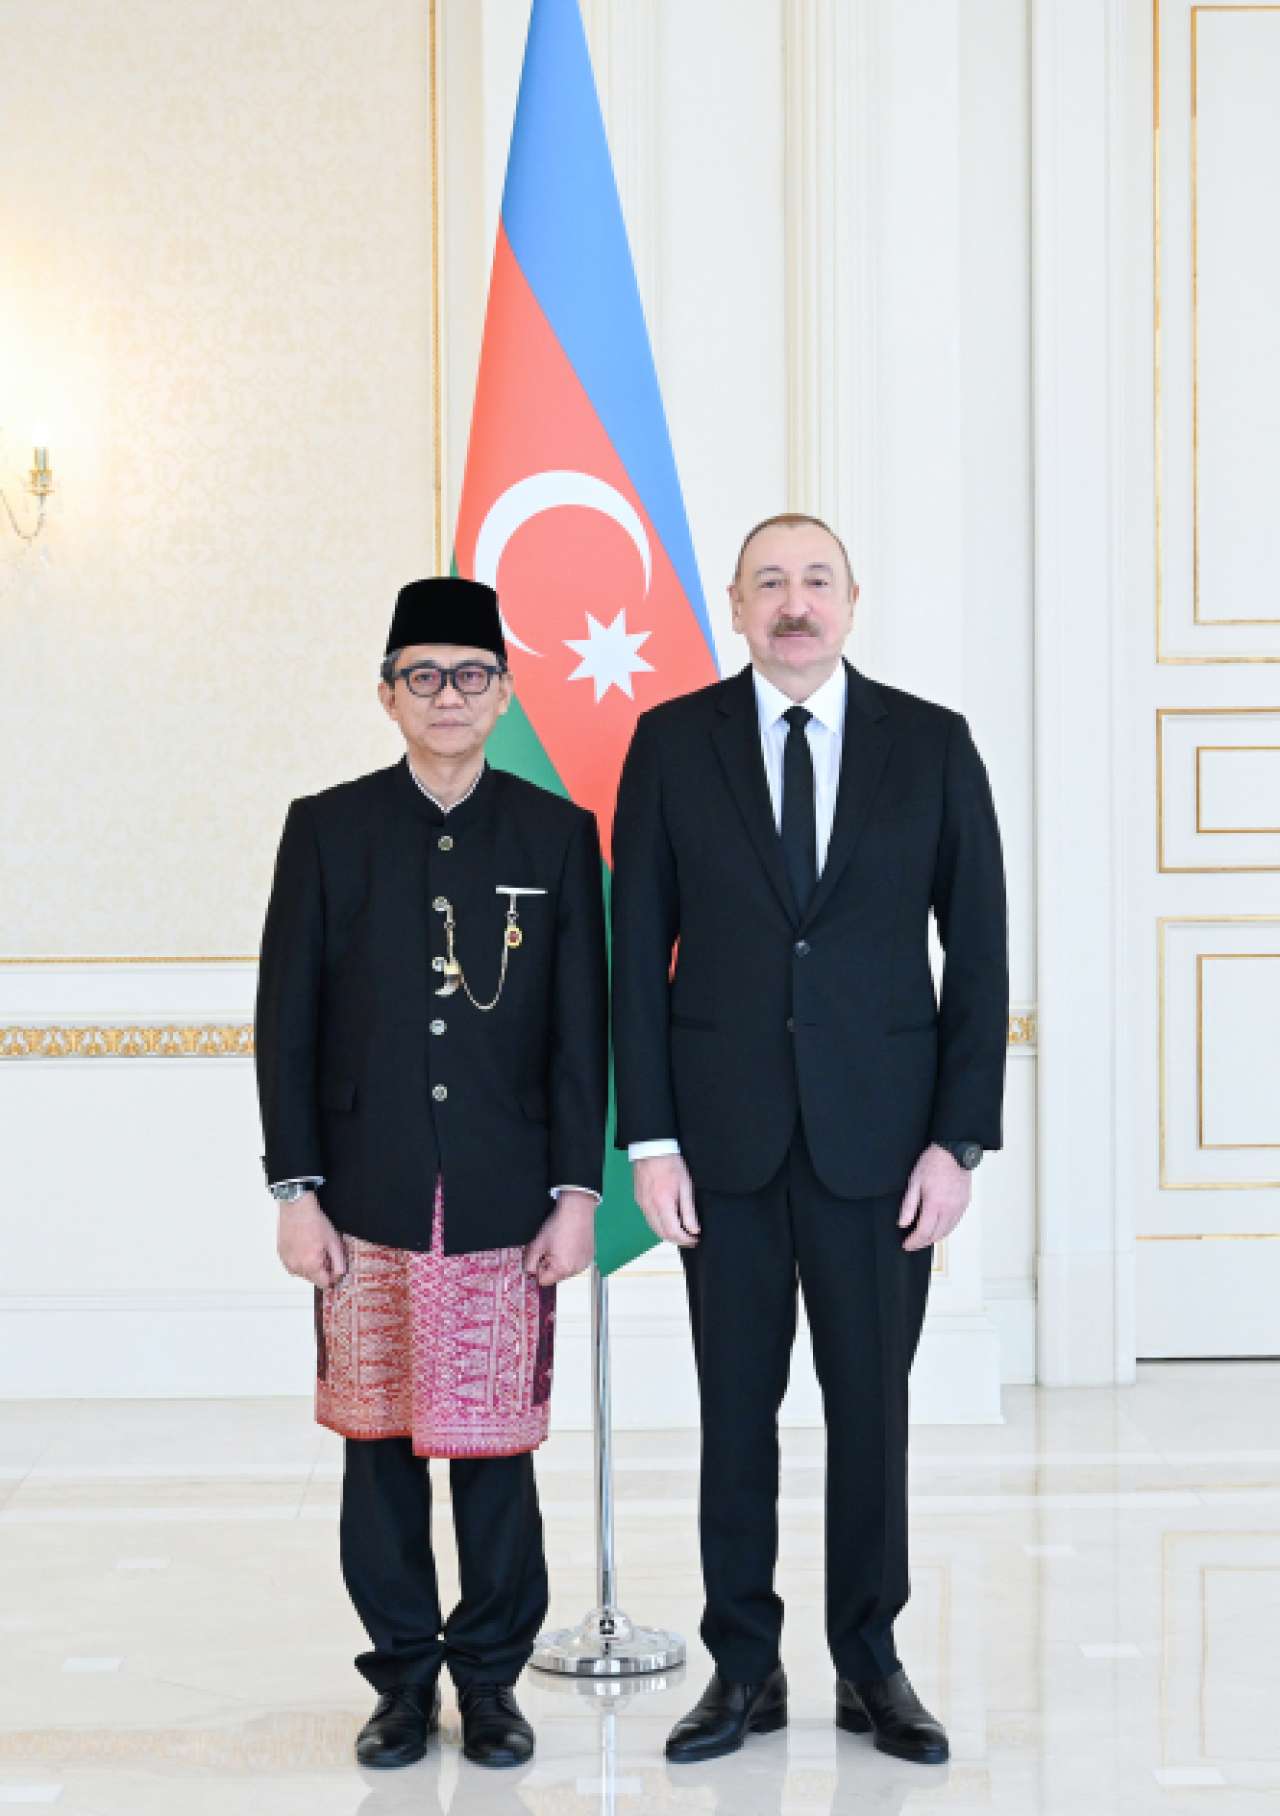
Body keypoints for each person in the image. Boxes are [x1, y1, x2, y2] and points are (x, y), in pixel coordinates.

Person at [611, 514, 1008, 1767]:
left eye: (816, 580)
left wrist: (955, 1143)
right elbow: (635, 951)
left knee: (869, 1415)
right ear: (734, 605)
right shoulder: (671, 742)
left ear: (851, 601)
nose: (794, 602)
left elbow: (977, 955)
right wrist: (650, 1140)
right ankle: (741, 1665)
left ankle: (869, 1661)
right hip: (719, 1148)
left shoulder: (931, 745)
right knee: (734, 1412)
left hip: (882, 1156)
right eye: (770, 582)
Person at [255, 577, 608, 1770]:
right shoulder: (328, 826)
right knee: (378, 1453)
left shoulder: (554, 833)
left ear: (503, 693)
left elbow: (580, 1032)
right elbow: (286, 1024)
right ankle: (402, 1682)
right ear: (387, 695)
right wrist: (296, 1191)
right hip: (366, 1194)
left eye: (468, 675)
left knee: (496, 1454)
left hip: (506, 1196)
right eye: (422, 676)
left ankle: (491, 1683)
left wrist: (576, 1193)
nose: (445, 696)